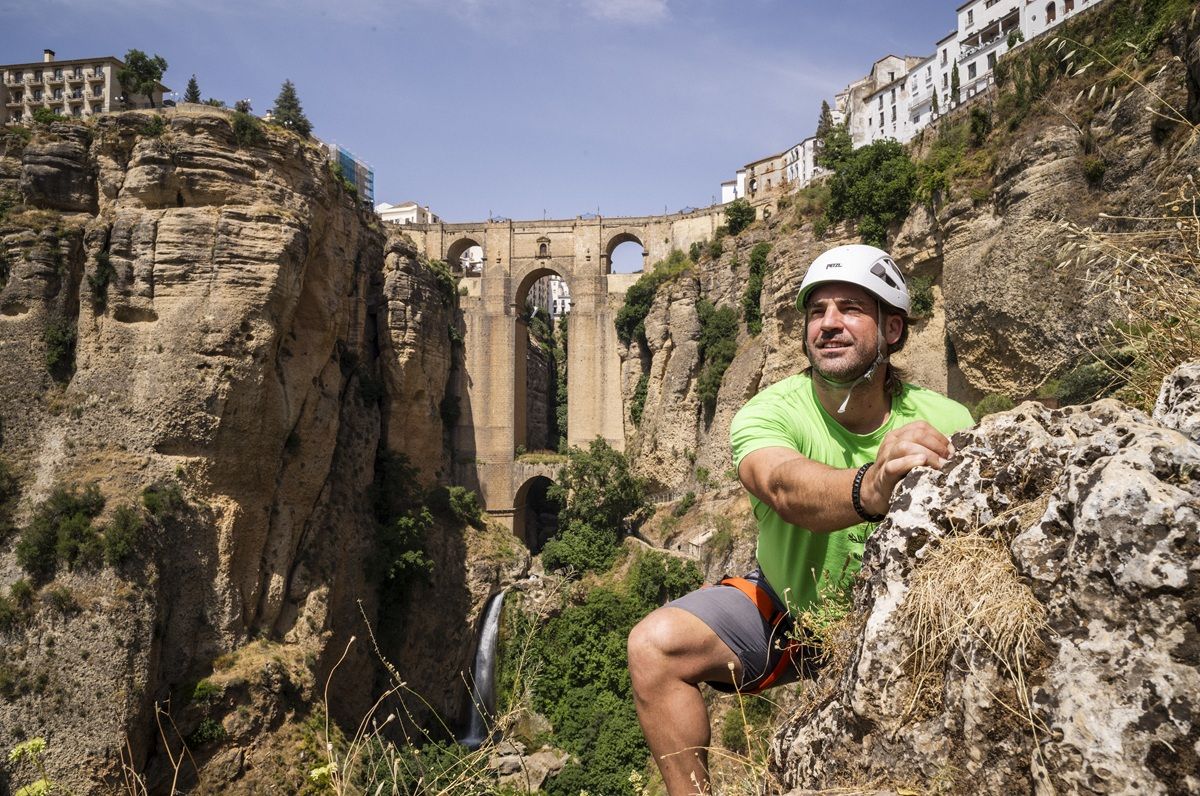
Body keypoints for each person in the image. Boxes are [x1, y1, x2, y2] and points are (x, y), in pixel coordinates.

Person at [627, 244, 974, 795]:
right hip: (789, 614)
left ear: (892, 329)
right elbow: (785, 486)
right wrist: (873, 484)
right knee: (655, 647)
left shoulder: (947, 419)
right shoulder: (768, 411)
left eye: (851, 309)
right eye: (817, 312)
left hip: (903, 621)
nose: (828, 324)